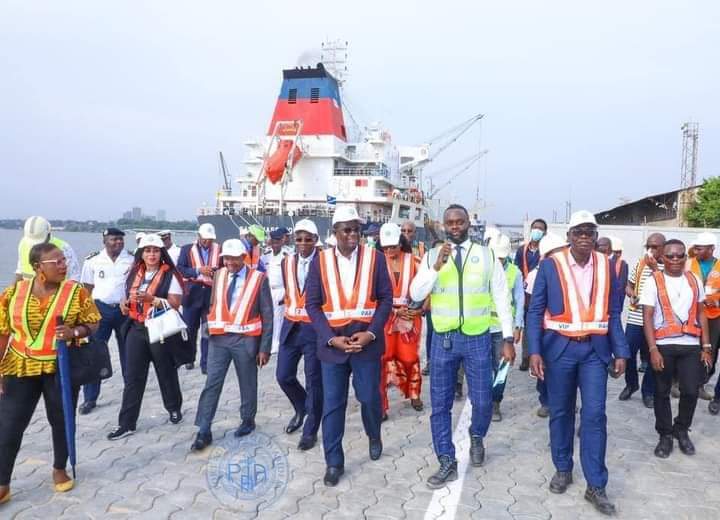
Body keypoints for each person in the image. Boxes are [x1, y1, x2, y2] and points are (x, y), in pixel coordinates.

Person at [527, 210, 629, 516]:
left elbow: (613, 312)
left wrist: (621, 351)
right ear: (570, 236)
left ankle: (596, 484)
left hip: (595, 352)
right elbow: (535, 312)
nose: (585, 238)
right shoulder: (550, 266)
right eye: (579, 232)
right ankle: (562, 468)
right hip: (559, 351)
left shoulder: (607, 266)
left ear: (596, 237)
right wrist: (534, 351)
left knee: (595, 414)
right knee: (560, 411)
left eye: (590, 233)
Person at [410, 204, 515, 489]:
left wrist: (507, 338)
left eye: (460, 221)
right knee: (440, 405)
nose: (455, 226)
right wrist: (435, 267)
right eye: (450, 222)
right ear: (443, 226)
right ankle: (446, 459)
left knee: (483, 401)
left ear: (469, 224)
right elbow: (416, 294)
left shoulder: (485, 254)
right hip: (443, 339)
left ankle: (477, 435)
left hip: (478, 337)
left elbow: (502, 297)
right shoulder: (432, 256)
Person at [0, 242, 100, 501]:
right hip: (20, 366)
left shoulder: (75, 292)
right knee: (9, 424)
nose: (63, 265)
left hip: (60, 368)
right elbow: (2, 333)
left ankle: (59, 468)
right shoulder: (13, 293)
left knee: (61, 420)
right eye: (56, 262)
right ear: (37, 267)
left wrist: (74, 332)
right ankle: (3, 482)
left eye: (64, 260)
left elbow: (93, 323)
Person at [305, 206, 393, 487]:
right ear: (335, 233)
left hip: (365, 342)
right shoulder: (319, 262)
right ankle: (333, 462)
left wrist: (372, 333)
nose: (353, 234)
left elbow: (386, 300)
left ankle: (374, 433)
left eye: (357, 229)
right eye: (347, 229)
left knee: (369, 397)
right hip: (333, 345)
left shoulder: (375, 258)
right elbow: (312, 305)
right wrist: (330, 338)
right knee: (333, 405)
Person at [190, 239, 273, 450]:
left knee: (247, 382)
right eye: (227, 258)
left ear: (244, 258)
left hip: (245, 339)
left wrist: (264, 347)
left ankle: (247, 419)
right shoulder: (218, 275)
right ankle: (204, 429)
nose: (230, 262)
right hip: (219, 339)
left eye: (235, 258)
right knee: (212, 383)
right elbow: (214, 303)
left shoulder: (258, 279)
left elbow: (268, 315)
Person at [107, 234, 186, 440]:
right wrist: (124, 303)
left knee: (165, 372)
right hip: (136, 328)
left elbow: (175, 303)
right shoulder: (133, 273)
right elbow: (126, 295)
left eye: (156, 250)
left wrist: (153, 300)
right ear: (141, 253)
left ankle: (174, 407)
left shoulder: (171, 275)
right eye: (147, 250)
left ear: (162, 253)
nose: (151, 254)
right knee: (133, 376)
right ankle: (126, 423)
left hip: (160, 329)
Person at [641, 239, 711, 458]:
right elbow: (648, 317)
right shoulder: (654, 281)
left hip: (690, 346)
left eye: (679, 255)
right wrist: (652, 349)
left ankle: (681, 428)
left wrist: (706, 346)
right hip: (663, 346)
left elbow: (701, 313)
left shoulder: (694, 280)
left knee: (690, 391)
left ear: (685, 257)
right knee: (661, 392)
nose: (674, 260)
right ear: (662, 257)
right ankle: (665, 434)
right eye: (670, 256)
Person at [275, 220, 323, 450]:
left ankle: (310, 429)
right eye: (299, 239)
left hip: (315, 329)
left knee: (314, 380)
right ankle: (302, 406)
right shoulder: (286, 262)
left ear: (315, 240)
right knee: (283, 375)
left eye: (308, 239)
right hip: (292, 327)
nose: (303, 244)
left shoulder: (325, 262)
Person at [78, 228, 134, 415]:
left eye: (121, 239)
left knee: (128, 353)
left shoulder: (132, 260)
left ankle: (131, 393)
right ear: (105, 241)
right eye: (114, 239)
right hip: (100, 310)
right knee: (95, 354)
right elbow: (86, 288)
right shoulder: (92, 261)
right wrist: (86, 313)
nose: (118, 242)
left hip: (124, 311)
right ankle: (90, 398)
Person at [378, 223, 424, 419]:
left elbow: (426, 289)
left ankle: (414, 393)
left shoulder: (415, 261)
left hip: (409, 317)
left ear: (401, 243)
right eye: (385, 247)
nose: (389, 251)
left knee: (409, 357)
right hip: (385, 317)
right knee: (383, 358)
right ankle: (381, 404)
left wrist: (417, 310)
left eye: (393, 246)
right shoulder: (377, 262)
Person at [620, 233, 665, 407]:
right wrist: (632, 294)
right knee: (628, 353)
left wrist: (655, 269)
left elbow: (668, 289)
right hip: (636, 318)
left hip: (657, 321)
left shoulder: (670, 266)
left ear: (663, 247)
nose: (651, 250)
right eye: (649, 247)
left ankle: (648, 392)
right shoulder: (640, 263)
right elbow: (629, 285)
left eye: (655, 247)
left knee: (654, 356)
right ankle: (631, 384)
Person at [525, 233, 567, 418]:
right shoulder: (536, 274)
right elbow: (531, 305)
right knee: (544, 367)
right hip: (544, 330)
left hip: (565, 332)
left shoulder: (571, 272)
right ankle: (546, 400)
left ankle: (565, 400)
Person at [177, 223, 222, 373]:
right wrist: (198, 270)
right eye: (205, 239)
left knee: (207, 331)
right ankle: (189, 358)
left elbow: (224, 269)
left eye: (210, 239)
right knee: (190, 329)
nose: (207, 242)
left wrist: (215, 272)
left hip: (210, 296)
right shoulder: (186, 249)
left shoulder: (219, 250)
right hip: (191, 295)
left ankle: (206, 363)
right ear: (198, 236)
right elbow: (180, 269)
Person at [488, 234, 524, 422]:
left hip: (502, 330)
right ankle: (482, 400)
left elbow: (519, 300)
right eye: (496, 257)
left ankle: (495, 402)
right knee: (481, 368)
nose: (499, 261)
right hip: (479, 327)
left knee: (501, 368)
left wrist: (518, 326)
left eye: (502, 258)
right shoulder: (481, 269)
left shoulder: (515, 273)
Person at [686, 232, 720, 405]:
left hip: (714, 317)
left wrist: (715, 301)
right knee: (686, 348)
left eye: (700, 248)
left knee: (709, 350)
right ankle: (678, 382)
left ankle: (700, 384)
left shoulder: (719, 266)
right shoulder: (688, 264)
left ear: (711, 249)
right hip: (690, 314)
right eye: (696, 247)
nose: (696, 250)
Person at [515, 218, 547, 370]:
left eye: (540, 228)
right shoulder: (522, 250)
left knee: (541, 326)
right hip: (525, 293)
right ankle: (526, 357)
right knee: (527, 325)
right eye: (535, 227)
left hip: (541, 293)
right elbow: (516, 269)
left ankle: (541, 355)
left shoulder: (546, 250)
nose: (537, 230)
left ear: (544, 232)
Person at [15, 216, 81, 282]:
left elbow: (74, 277)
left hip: (57, 291)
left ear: (48, 232)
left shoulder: (63, 247)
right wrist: (12, 290)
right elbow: (20, 271)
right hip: (28, 289)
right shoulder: (23, 244)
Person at [261, 229, 289, 354]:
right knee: (267, 317)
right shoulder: (266, 255)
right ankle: (267, 342)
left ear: (281, 242)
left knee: (278, 318)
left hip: (280, 290)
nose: (275, 244)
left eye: (277, 242)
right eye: (273, 242)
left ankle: (276, 343)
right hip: (268, 290)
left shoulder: (287, 256)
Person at [422, 239, 444, 377]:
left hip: (448, 310)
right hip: (432, 307)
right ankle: (431, 361)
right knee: (431, 334)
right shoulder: (430, 268)